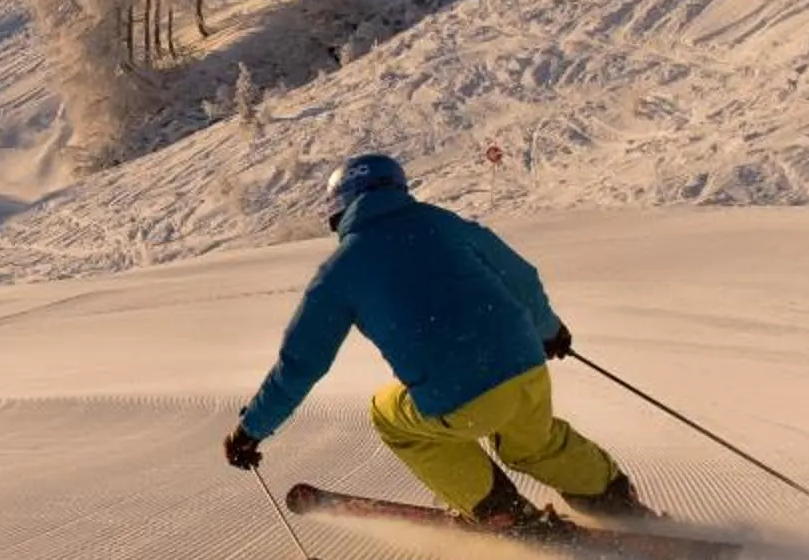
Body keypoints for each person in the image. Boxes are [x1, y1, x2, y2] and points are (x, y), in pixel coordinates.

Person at [222, 153, 648, 529]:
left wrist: (251, 431)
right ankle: (611, 495)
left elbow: (301, 364)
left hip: (461, 399)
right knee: (533, 444)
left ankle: (498, 509)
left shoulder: (340, 271)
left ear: (338, 209)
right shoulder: (444, 223)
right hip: (526, 368)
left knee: (389, 416)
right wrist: (549, 330)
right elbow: (521, 277)